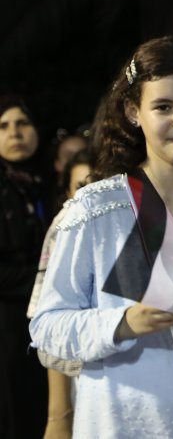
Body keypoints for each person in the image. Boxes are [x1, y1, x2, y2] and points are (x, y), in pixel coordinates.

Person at [29, 36, 173, 439]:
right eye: (164, 107)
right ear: (133, 111)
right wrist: (121, 323)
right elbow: (47, 326)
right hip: (117, 423)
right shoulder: (93, 210)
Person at [26, 148, 92, 439]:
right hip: (87, 386)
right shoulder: (67, 223)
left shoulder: (144, 216)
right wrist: (58, 415)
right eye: (81, 186)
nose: (91, 192)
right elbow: (50, 329)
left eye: (99, 181)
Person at [0, 94, 49, 438]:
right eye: (3, 126)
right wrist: (48, 279)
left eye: (22, 123)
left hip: (44, 325)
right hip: (7, 329)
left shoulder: (46, 183)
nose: (14, 133)